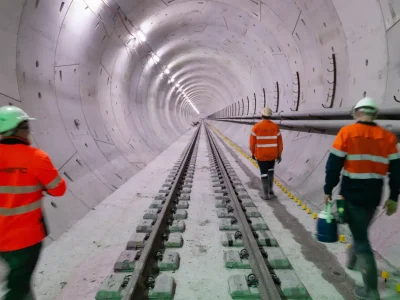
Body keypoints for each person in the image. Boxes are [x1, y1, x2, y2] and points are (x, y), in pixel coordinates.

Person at [323, 97, 399, 300]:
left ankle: (371, 290)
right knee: (360, 230)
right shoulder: (388, 137)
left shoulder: (347, 133)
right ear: (375, 114)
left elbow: (333, 164)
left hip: (352, 195)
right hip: (373, 196)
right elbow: (397, 172)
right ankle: (351, 261)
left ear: (357, 113)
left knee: (361, 239)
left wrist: (328, 188)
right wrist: (393, 197)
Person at [0, 106, 67, 300]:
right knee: (18, 287)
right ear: (17, 129)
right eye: (26, 126)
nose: (28, 131)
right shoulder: (37, 158)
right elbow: (58, 189)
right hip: (25, 239)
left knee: (20, 280)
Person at [250, 107, 283, 200]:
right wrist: (279, 154)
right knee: (270, 171)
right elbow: (280, 142)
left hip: (261, 155)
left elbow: (252, 143)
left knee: (263, 173)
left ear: (262, 115)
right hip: (272, 154)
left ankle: (265, 194)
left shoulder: (256, 127)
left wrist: (253, 153)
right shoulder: (275, 127)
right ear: (270, 116)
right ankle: (270, 190)